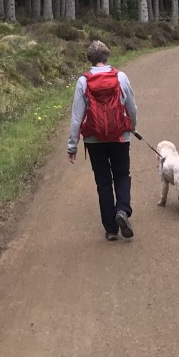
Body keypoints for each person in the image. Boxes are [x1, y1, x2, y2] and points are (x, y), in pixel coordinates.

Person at [67, 39, 137, 241]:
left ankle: (111, 229)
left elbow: (76, 117)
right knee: (122, 175)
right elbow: (132, 107)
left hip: (93, 139)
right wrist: (131, 127)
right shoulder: (120, 77)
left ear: (90, 59)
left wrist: (72, 146)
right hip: (119, 136)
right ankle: (122, 210)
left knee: (103, 182)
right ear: (107, 57)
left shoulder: (83, 81)